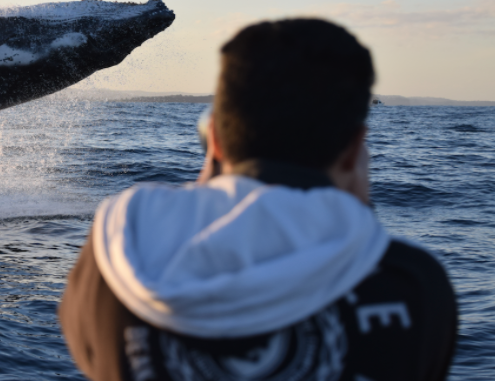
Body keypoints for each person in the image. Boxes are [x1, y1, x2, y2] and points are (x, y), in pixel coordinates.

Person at [58, 19, 457, 381]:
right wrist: (354, 205)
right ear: (354, 149)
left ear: (215, 139)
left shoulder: (118, 253)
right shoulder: (412, 284)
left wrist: (209, 183)